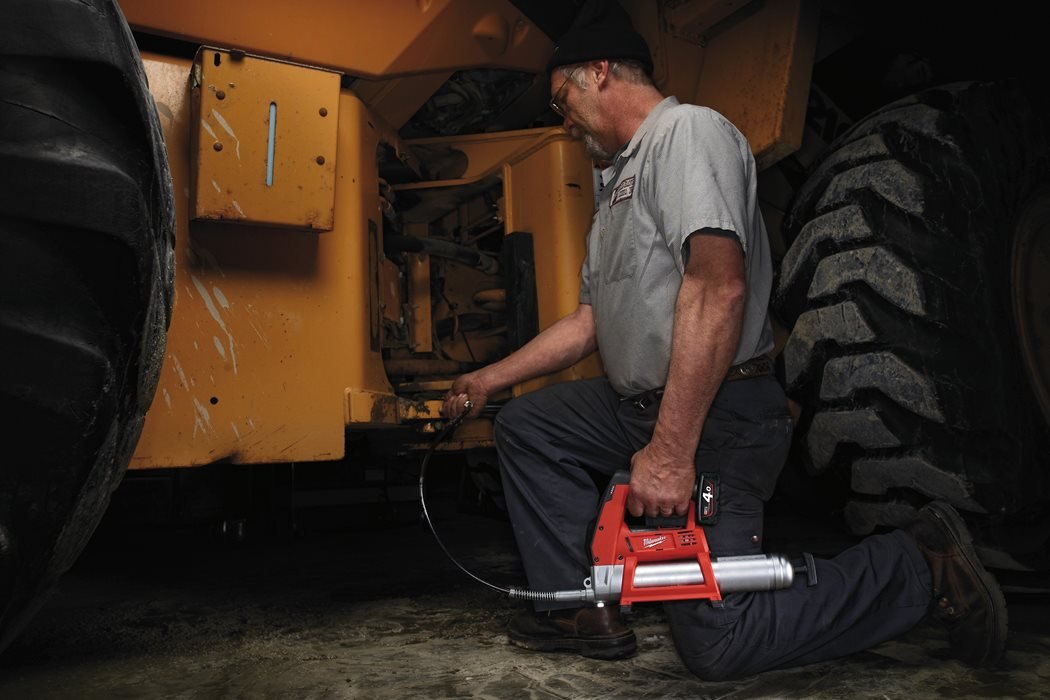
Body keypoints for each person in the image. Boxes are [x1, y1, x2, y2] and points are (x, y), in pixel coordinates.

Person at [442, 0, 1007, 680]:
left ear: (600, 73)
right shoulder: (615, 184)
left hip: (717, 414)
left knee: (720, 642)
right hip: (633, 407)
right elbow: (590, 321)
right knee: (532, 426)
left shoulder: (686, 134)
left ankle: (918, 563)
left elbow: (719, 289)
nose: (563, 120)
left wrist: (671, 453)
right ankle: (577, 606)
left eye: (563, 100)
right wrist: (488, 380)